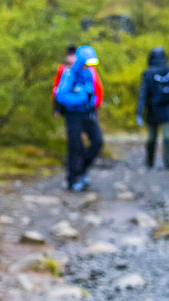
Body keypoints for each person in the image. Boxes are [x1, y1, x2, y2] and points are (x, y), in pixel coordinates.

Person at [54, 45, 103, 192]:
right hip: (73, 115)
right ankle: (73, 179)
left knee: (97, 141)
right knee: (75, 147)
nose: (89, 66)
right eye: (87, 63)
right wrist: (79, 98)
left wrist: (93, 101)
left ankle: (81, 171)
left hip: (88, 113)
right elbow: (60, 95)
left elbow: (95, 92)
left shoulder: (89, 73)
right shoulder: (69, 74)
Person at [136, 47, 169, 169]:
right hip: (168, 109)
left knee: (152, 136)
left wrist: (139, 112)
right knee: (168, 135)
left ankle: (150, 161)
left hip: (152, 109)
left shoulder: (148, 73)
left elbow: (142, 94)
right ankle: (168, 162)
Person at [53, 44, 102, 118]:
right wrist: (56, 109)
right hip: (73, 112)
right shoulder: (66, 72)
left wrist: (96, 105)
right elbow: (57, 91)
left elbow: (98, 88)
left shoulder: (90, 71)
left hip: (88, 111)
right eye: (70, 55)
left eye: (73, 55)